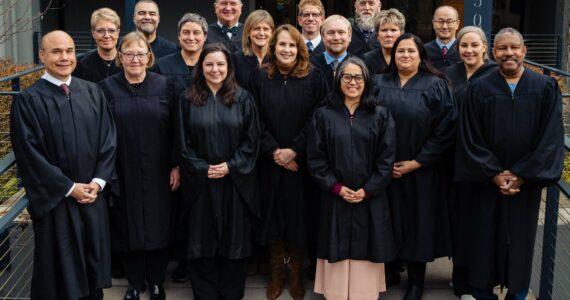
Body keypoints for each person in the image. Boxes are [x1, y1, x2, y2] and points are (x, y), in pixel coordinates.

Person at [455, 27, 564, 300]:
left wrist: (522, 175)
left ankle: (517, 293)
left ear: (524, 51)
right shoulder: (479, 88)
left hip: (524, 187)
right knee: (483, 240)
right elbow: (470, 137)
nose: (508, 53)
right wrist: (493, 174)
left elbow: (550, 138)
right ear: (493, 53)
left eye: (514, 47)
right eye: (502, 48)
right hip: (486, 183)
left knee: (520, 242)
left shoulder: (545, 87)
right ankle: (483, 293)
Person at [10, 30, 116, 300]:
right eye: (56, 51)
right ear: (42, 55)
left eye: (69, 51)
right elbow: (29, 154)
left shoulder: (92, 92)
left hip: (92, 198)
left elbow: (109, 140)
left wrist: (98, 182)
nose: (64, 57)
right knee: (59, 274)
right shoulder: (28, 100)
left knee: (93, 271)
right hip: (58, 201)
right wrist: (69, 187)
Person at [375, 33, 456, 300]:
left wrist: (418, 162)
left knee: (418, 224)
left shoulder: (436, 85)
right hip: (384, 169)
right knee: (386, 221)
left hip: (421, 170)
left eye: (411, 51)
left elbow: (446, 129)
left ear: (421, 56)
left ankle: (416, 282)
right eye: (400, 51)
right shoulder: (378, 82)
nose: (405, 56)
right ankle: (389, 270)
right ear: (393, 55)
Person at [249, 24, 328, 300]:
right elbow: (252, 116)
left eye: (292, 45)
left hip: (301, 164)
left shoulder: (314, 77)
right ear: (273, 48)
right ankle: (276, 274)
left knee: (298, 218)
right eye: (281, 44)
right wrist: (274, 151)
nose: (286, 49)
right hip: (269, 162)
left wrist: (294, 150)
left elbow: (319, 117)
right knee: (273, 217)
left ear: (300, 49)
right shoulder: (259, 77)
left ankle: (295, 274)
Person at [308, 57, 397, 300]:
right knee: (334, 242)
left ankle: (363, 294)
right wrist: (336, 187)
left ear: (366, 81)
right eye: (346, 77)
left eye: (358, 77)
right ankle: (335, 293)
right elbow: (316, 159)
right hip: (335, 195)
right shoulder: (323, 115)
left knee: (368, 243)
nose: (352, 82)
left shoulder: (380, 115)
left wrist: (367, 190)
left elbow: (386, 159)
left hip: (369, 196)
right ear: (337, 81)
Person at [99, 31, 178, 300]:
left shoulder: (165, 85)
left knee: (158, 224)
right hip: (123, 168)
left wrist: (176, 165)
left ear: (149, 57)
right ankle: (134, 283)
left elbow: (177, 129)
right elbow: (101, 132)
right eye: (129, 54)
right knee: (127, 224)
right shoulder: (106, 88)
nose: (135, 58)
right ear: (120, 58)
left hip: (159, 169)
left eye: (141, 53)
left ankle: (156, 281)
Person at [179, 44, 259, 300]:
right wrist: (201, 168)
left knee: (233, 240)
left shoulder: (243, 98)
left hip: (234, 183)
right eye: (209, 64)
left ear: (229, 67)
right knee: (200, 240)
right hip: (200, 183)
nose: (215, 69)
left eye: (220, 64)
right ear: (201, 67)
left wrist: (230, 166)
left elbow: (251, 141)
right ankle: (204, 294)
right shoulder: (187, 98)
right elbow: (182, 141)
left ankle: (231, 294)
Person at [443, 25, 497, 298]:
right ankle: (460, 278)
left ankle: (479, 282)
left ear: (485, 47)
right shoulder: (449, 74)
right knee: (459, 222)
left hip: (484, 163)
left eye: (474, 45)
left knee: (482, 225)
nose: (469, 50)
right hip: (453, 161)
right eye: (464, 45)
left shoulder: (495, 76)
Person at [154, 13, 208, 94]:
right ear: (179, 36)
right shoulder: (161, 65)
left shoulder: (213, 66)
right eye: (186, 32)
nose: (191, 38)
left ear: (205, 36)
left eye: (196, 33)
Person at [73, 7, 121, 82]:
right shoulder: (81, 64)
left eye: (111, 30)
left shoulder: (127, 62)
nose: (107, 35)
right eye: (101, 31)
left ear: (118, 33)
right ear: (93, 33)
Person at [232, 9, 274, 89]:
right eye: (257, 29)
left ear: (271, 33)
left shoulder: (277, 59)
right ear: (248, 32)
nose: (261, 33)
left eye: (266, 29)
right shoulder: (236, 59)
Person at [311, 15, 353, 90]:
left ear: (349, 36)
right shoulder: (311, 65)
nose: (336, 38)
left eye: (341, 32)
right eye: (331, 33)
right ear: (323, 37)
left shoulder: (358, 65)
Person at [362, 8, 405, 75]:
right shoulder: (367, 59)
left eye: (393, 30)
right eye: (384, 30)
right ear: (377, 35)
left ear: (401, 34)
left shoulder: (408, 57)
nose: (389, 34)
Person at [424, 5, 461, 70]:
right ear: (433, 24)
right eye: (440, 21)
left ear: (457, 24)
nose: (445, 26)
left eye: (449, 22)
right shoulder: (424, 50)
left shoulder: (463, 50)